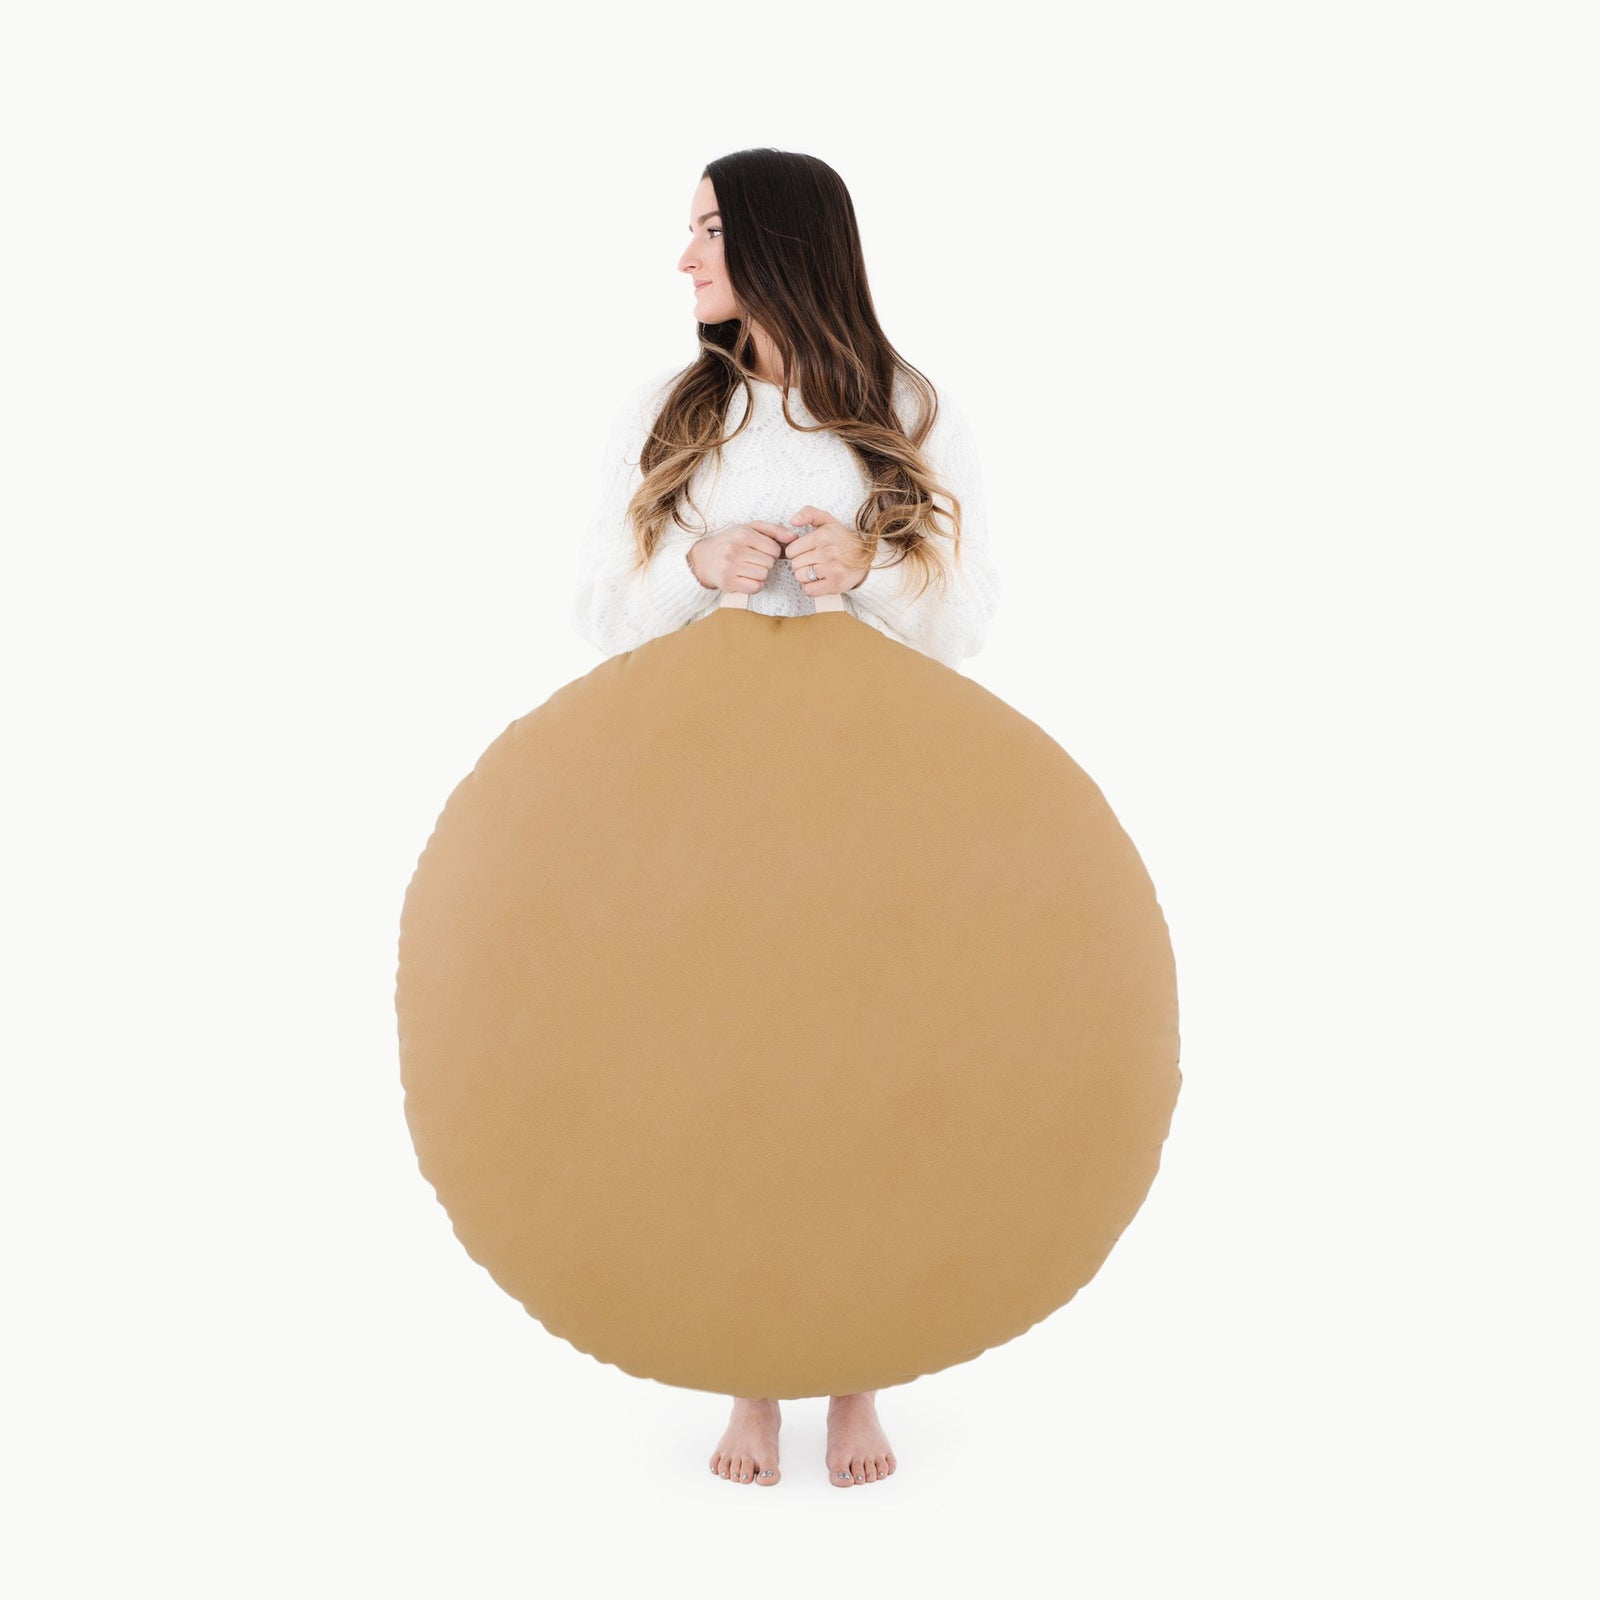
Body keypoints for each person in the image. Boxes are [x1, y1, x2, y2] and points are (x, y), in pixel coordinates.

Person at [570, 148, 1002, 1489]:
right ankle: (753, 1378)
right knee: (729, 1067)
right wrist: (693, 569)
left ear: (774, 243)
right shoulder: (674, 413)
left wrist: (870, 567)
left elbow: (966, 621)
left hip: (866, 794)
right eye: (689, 230)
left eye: (707, 230)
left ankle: (856, 1374)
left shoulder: (903, 405)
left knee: (863, 1066)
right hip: (705, 795)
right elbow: (603, 618)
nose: (686, 258)